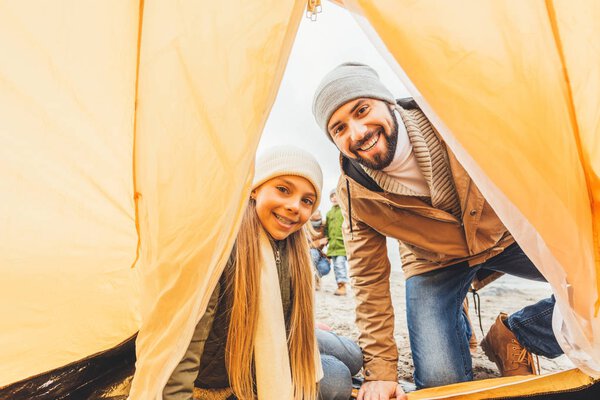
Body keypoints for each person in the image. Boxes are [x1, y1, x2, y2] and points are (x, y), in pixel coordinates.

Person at [311, 63, 562, 399]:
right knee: (443, 384)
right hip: (433, 261)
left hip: (505, 236)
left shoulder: (455, 118)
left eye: (362, 110)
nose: (357, 133)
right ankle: (452, 309)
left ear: (389, 103)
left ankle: (517, 333)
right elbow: (369, 279)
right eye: (339, 129)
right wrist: (382, 371)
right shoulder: (354, 192)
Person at [163, 145, 362, 400]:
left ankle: (316, 332)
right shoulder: (221, 247)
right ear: (255, 188)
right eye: (283, 189)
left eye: (307, 200)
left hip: (284, 340)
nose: (293, 206)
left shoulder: (295, 247)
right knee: (338, 379)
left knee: (355, 356)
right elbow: (183, 346)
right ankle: (318, 336)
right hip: (229, 375)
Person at [324, 189, 350, 296]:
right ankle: (339, 285)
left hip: (342, 245)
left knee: (340, 264)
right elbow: (326, 228)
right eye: (332, 196)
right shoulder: (329, 213)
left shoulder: (344, 211)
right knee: (336, 266)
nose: (334, 198)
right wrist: (326, 238)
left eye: (336, 196)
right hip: (332, 246)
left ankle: (343, 285)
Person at [307, 210, 331, 290]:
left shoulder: (324, 226)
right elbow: (305, 246)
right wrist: (319, 242)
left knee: (325, 267)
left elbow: (331, 241)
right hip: (308, 254)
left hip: (320, 254)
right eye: (314, 220)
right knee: (313, 253)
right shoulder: (305, 228)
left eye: (318, 220)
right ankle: (309, 279)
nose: (317, 222)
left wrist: (329, 255)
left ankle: (316, 277)